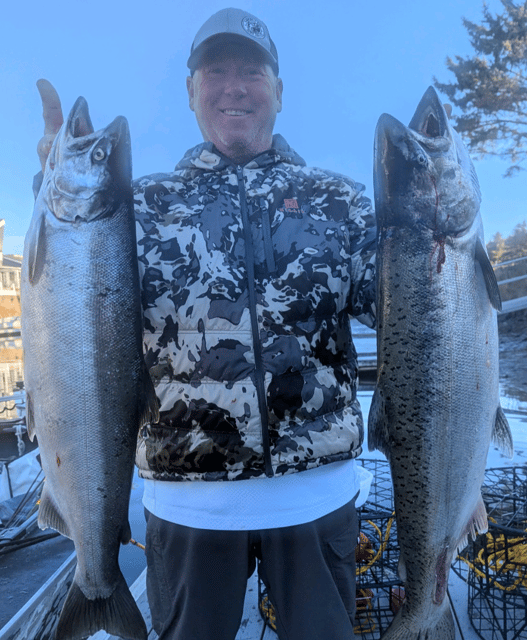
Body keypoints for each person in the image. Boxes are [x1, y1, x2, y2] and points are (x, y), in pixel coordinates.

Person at [35, 8, 376, 640]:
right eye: (214, 71)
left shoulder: (343, 202)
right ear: (191, 92)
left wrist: (442, 231)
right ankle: (97, 590)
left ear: (279, 90)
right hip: (185, 503)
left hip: (319, 499)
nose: (233, 86)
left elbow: (407, 312)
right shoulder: (137, 206)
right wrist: (50, 188)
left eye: (251, 70)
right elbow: (74, 300)